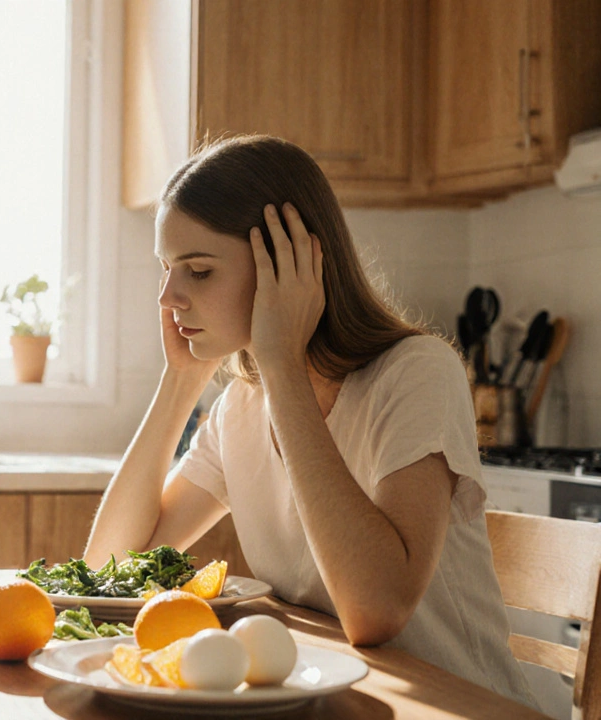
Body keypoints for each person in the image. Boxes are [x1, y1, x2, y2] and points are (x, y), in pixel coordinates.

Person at [84, 135, 538, 707]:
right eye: (168, 270)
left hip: (459, 708)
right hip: (340, 704)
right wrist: (180, 383)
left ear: (289, 264)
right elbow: (109, 569)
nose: (170, 297)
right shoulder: (241, 409)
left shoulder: (418, 374)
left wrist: (281, 364)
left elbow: (375, 612)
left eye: (198, 271)